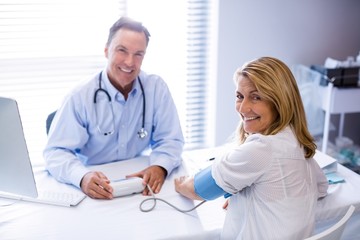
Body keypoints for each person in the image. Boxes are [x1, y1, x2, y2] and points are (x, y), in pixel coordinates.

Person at [174, 57, 328, 240]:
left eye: (256, 97)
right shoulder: (295, 140)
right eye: (239, 96)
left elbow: (197, 190)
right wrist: (252, 195)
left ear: (280, 102)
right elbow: (322, 187)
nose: (243, 107)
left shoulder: (261, 149)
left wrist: (180, 184)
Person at [44, 16, 184, 199]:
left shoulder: (156, 88)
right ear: (106, 51)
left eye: (138, 54)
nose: (129, 62)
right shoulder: (79, 96)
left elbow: (171, 140)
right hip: (95, 183)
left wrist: (160, 167)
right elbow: (56, 152)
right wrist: (82, 177)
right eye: (122, 50)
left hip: (137, 184)